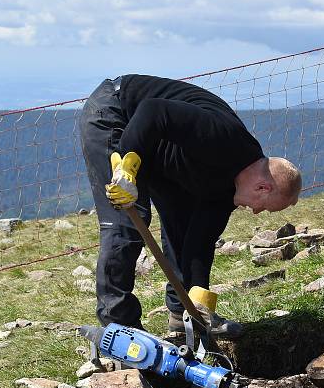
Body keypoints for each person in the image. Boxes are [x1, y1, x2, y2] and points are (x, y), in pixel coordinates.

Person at [79, 74, 301, 339]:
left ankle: (183, 316)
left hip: (158, 151)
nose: (255, 212)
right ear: (263, 188)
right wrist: (126, 169)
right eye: (264, 208)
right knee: (127, 219)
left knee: (181, 222)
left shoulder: (228, 192)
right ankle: (120, 329)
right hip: (118, 112)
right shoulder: (224, 138)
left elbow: (200, 243)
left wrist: (199, 301)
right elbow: (153, 111)